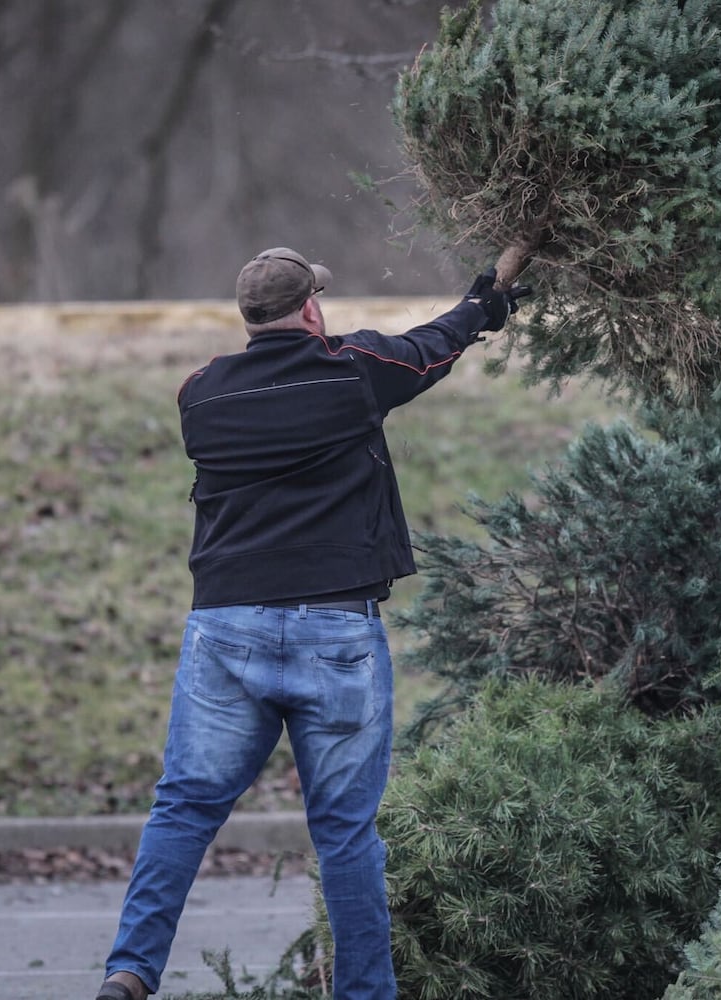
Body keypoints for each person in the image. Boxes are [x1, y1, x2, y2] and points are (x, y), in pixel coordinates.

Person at [95, 248, 531, 1000]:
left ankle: (130, 971)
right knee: (345, 835)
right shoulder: (351, 372)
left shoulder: (198, 395)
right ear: (310, 310)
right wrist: (488, 302)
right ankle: (364, 994)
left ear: (248, 319)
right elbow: (431, 347)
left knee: (185, 807)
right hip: (336, 633)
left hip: (226, 630)